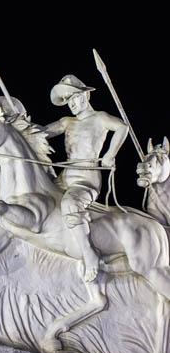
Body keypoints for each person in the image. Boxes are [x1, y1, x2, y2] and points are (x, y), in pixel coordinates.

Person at [43, 74, 129, 282]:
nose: (71, 104)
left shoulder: (99, 118)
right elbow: (42, 132)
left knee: (71, 203)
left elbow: (122, 127)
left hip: (85, 178)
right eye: (67, 100)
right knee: (40, 197)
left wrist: (110, 154)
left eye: (73, 98)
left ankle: (90, 254)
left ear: (85, 96)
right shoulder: (67, 122)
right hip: (65, 176)